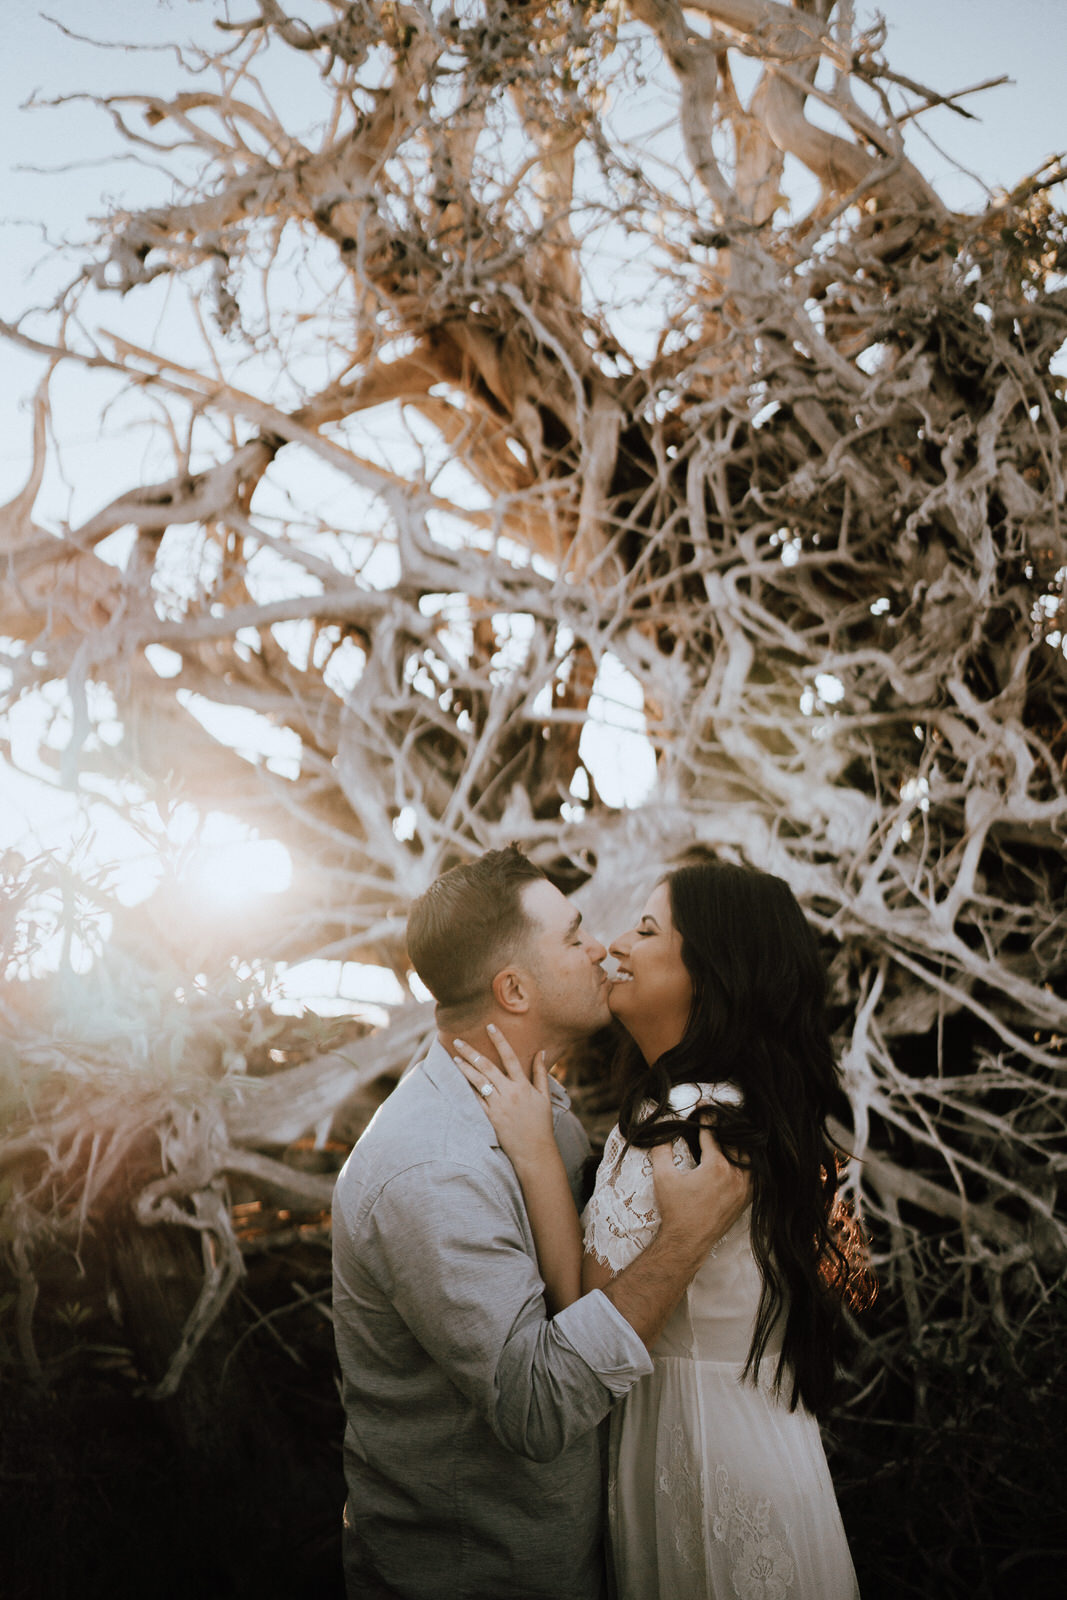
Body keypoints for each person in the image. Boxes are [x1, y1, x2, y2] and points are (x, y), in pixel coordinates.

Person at [331, 845, 750, 1600]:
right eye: (574, 935)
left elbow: (577, 1292)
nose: (603, 948)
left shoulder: (538, 1110)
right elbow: (538, 1404)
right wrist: (687, 1238)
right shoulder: (433, 1172)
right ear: (515, 989)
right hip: (481, 1576)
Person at [453, 858, 871, 1600]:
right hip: (767, 1440)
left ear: (709, 975)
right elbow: (851, 1279)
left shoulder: (681, 1125)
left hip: (702, 1457)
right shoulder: (751, 1111)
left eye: (646, 930)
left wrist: (534, 1154)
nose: (614, 944)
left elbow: (584, 1312)